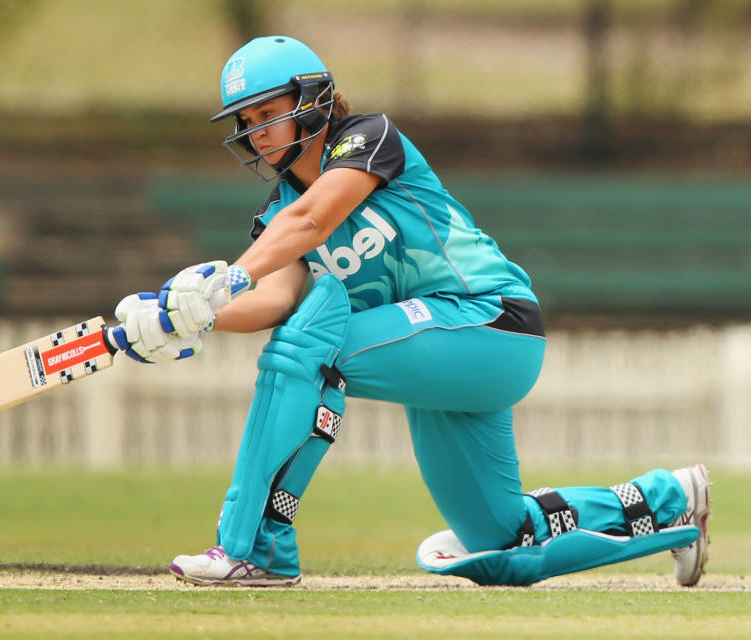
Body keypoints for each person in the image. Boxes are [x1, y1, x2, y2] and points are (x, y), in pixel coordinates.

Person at [108, 35, 711, 587]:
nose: (259, 130)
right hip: (442, 357)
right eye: (248, 120)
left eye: (270, 112)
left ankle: (255, 549)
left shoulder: (368, 138)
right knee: (501, 541)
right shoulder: (275, 216)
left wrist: (228, 276)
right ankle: (668, 499)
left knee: (316, 348)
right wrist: (185, 315)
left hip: (491, 320)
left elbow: (313, 221)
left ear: (315, 98)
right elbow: (276, 297)